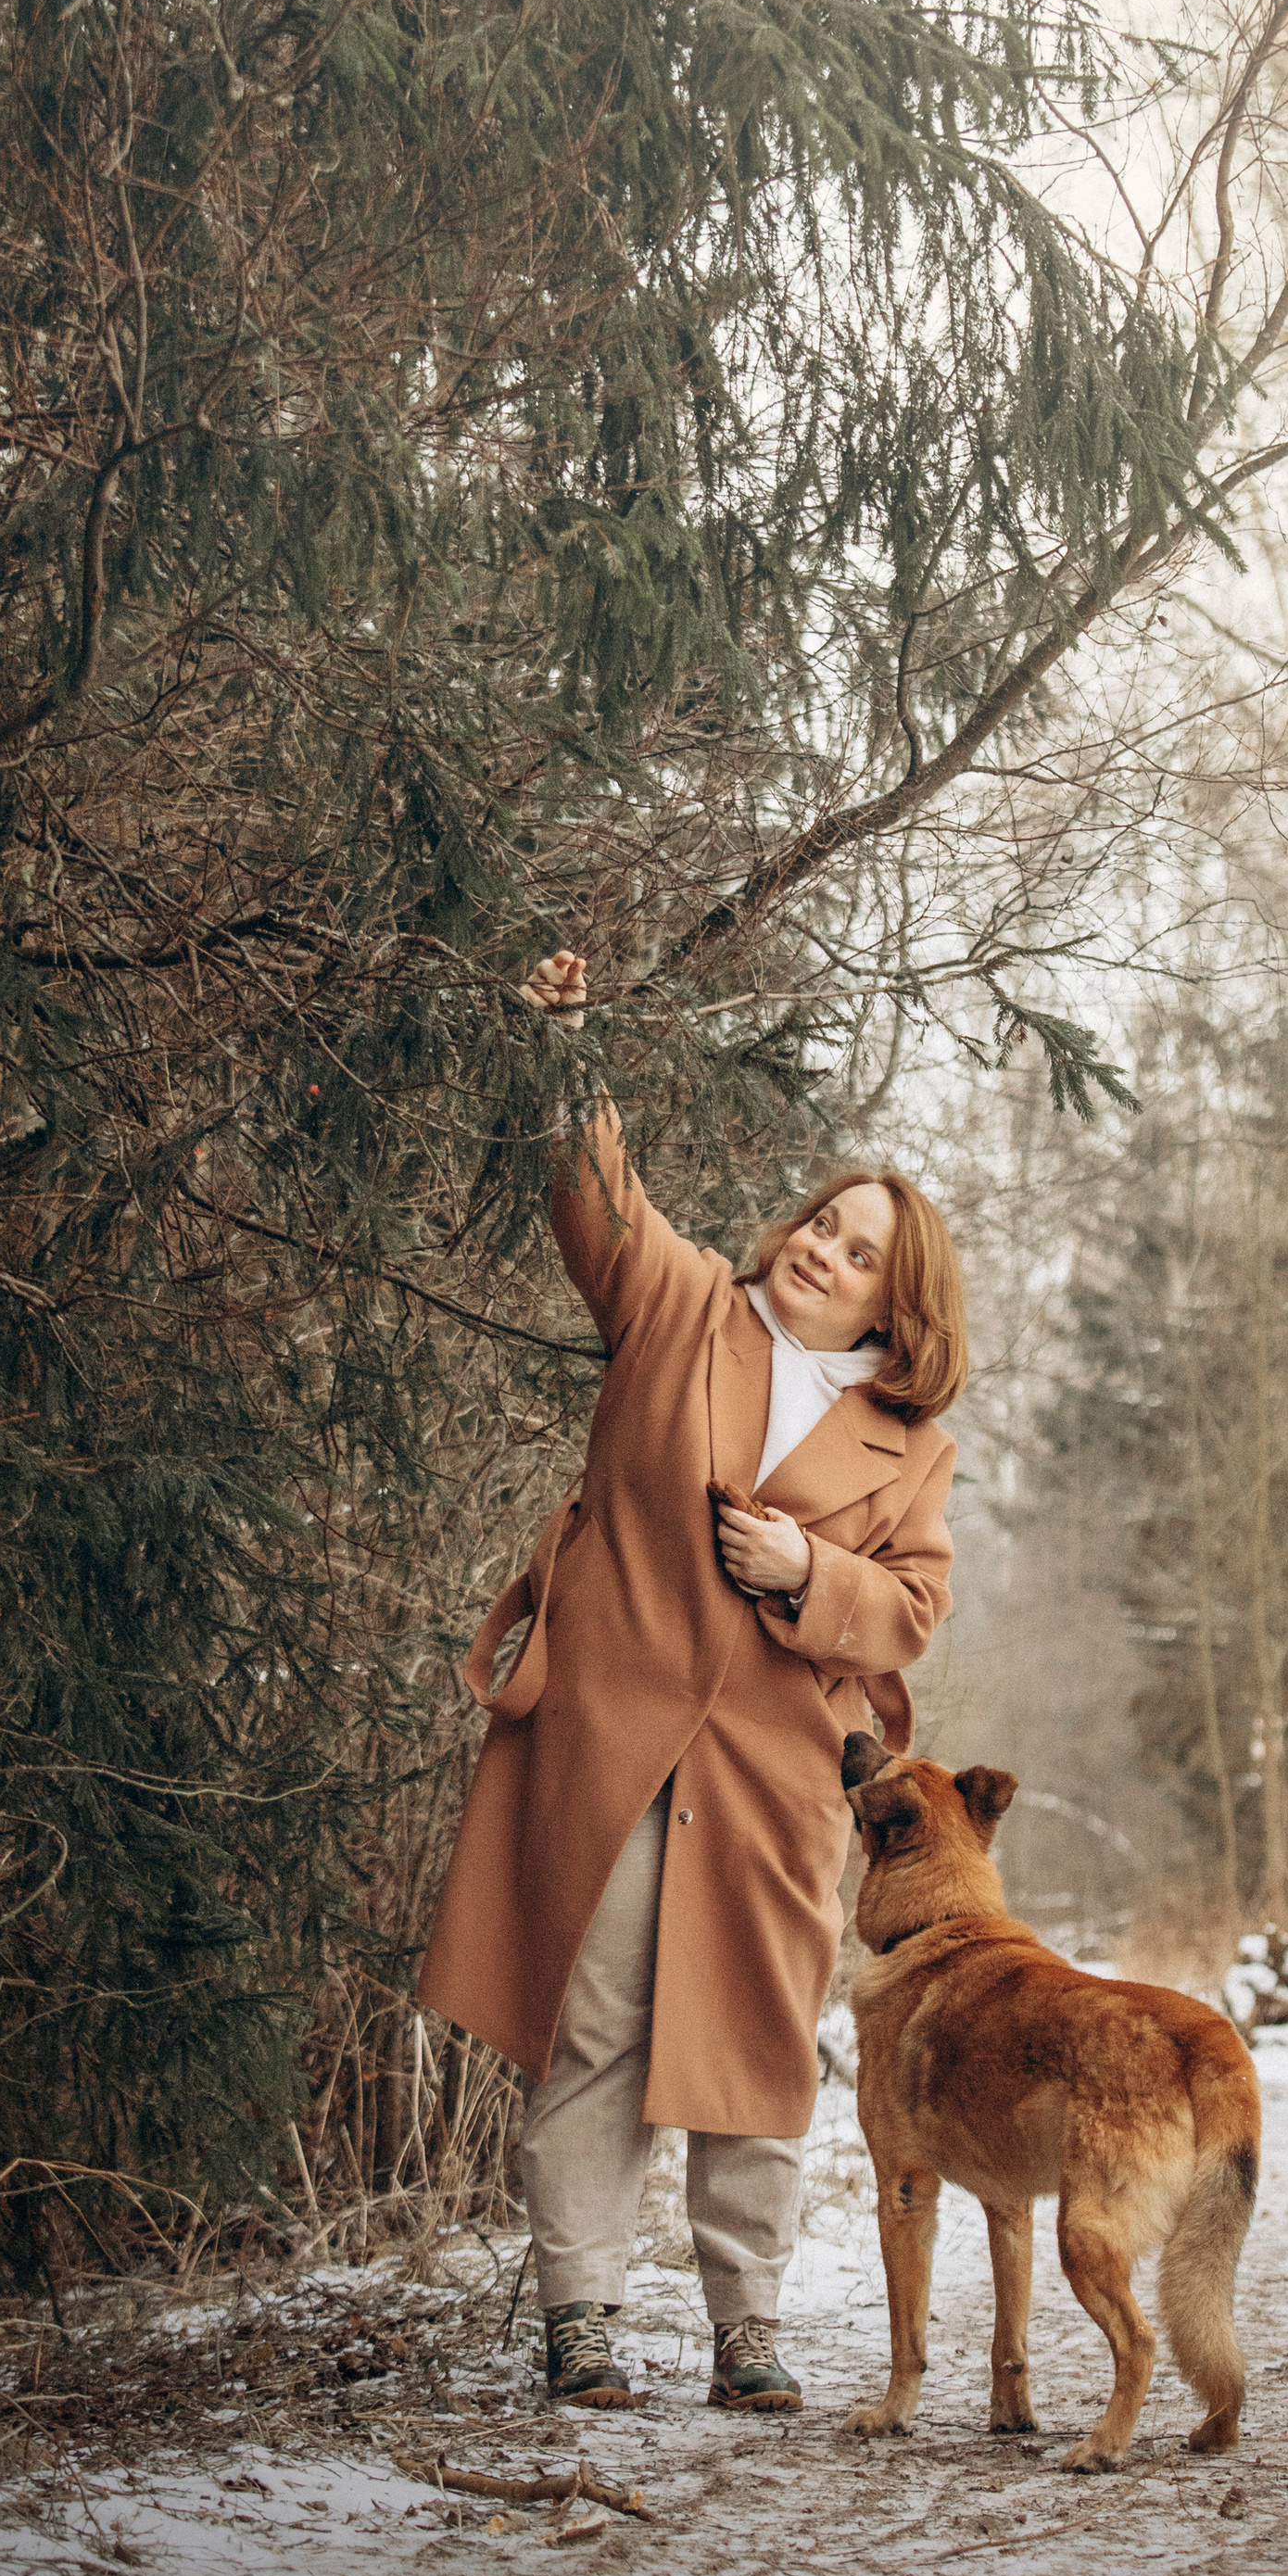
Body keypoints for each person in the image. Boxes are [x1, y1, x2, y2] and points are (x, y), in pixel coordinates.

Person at [417, 952, 966, 2414]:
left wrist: (807, 1576)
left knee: (754, 2049)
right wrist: (565, 1047)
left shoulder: (909, 1442)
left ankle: (749, 2332)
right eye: (822, 1225)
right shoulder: (679, 1311)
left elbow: (910, 1609)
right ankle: (581, 2322)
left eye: (860, 1256)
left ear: (893, 1314)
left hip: (779, 1777)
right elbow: (599, 1199)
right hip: (614, 1741)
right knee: (592, 2029)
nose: (823, 1254)